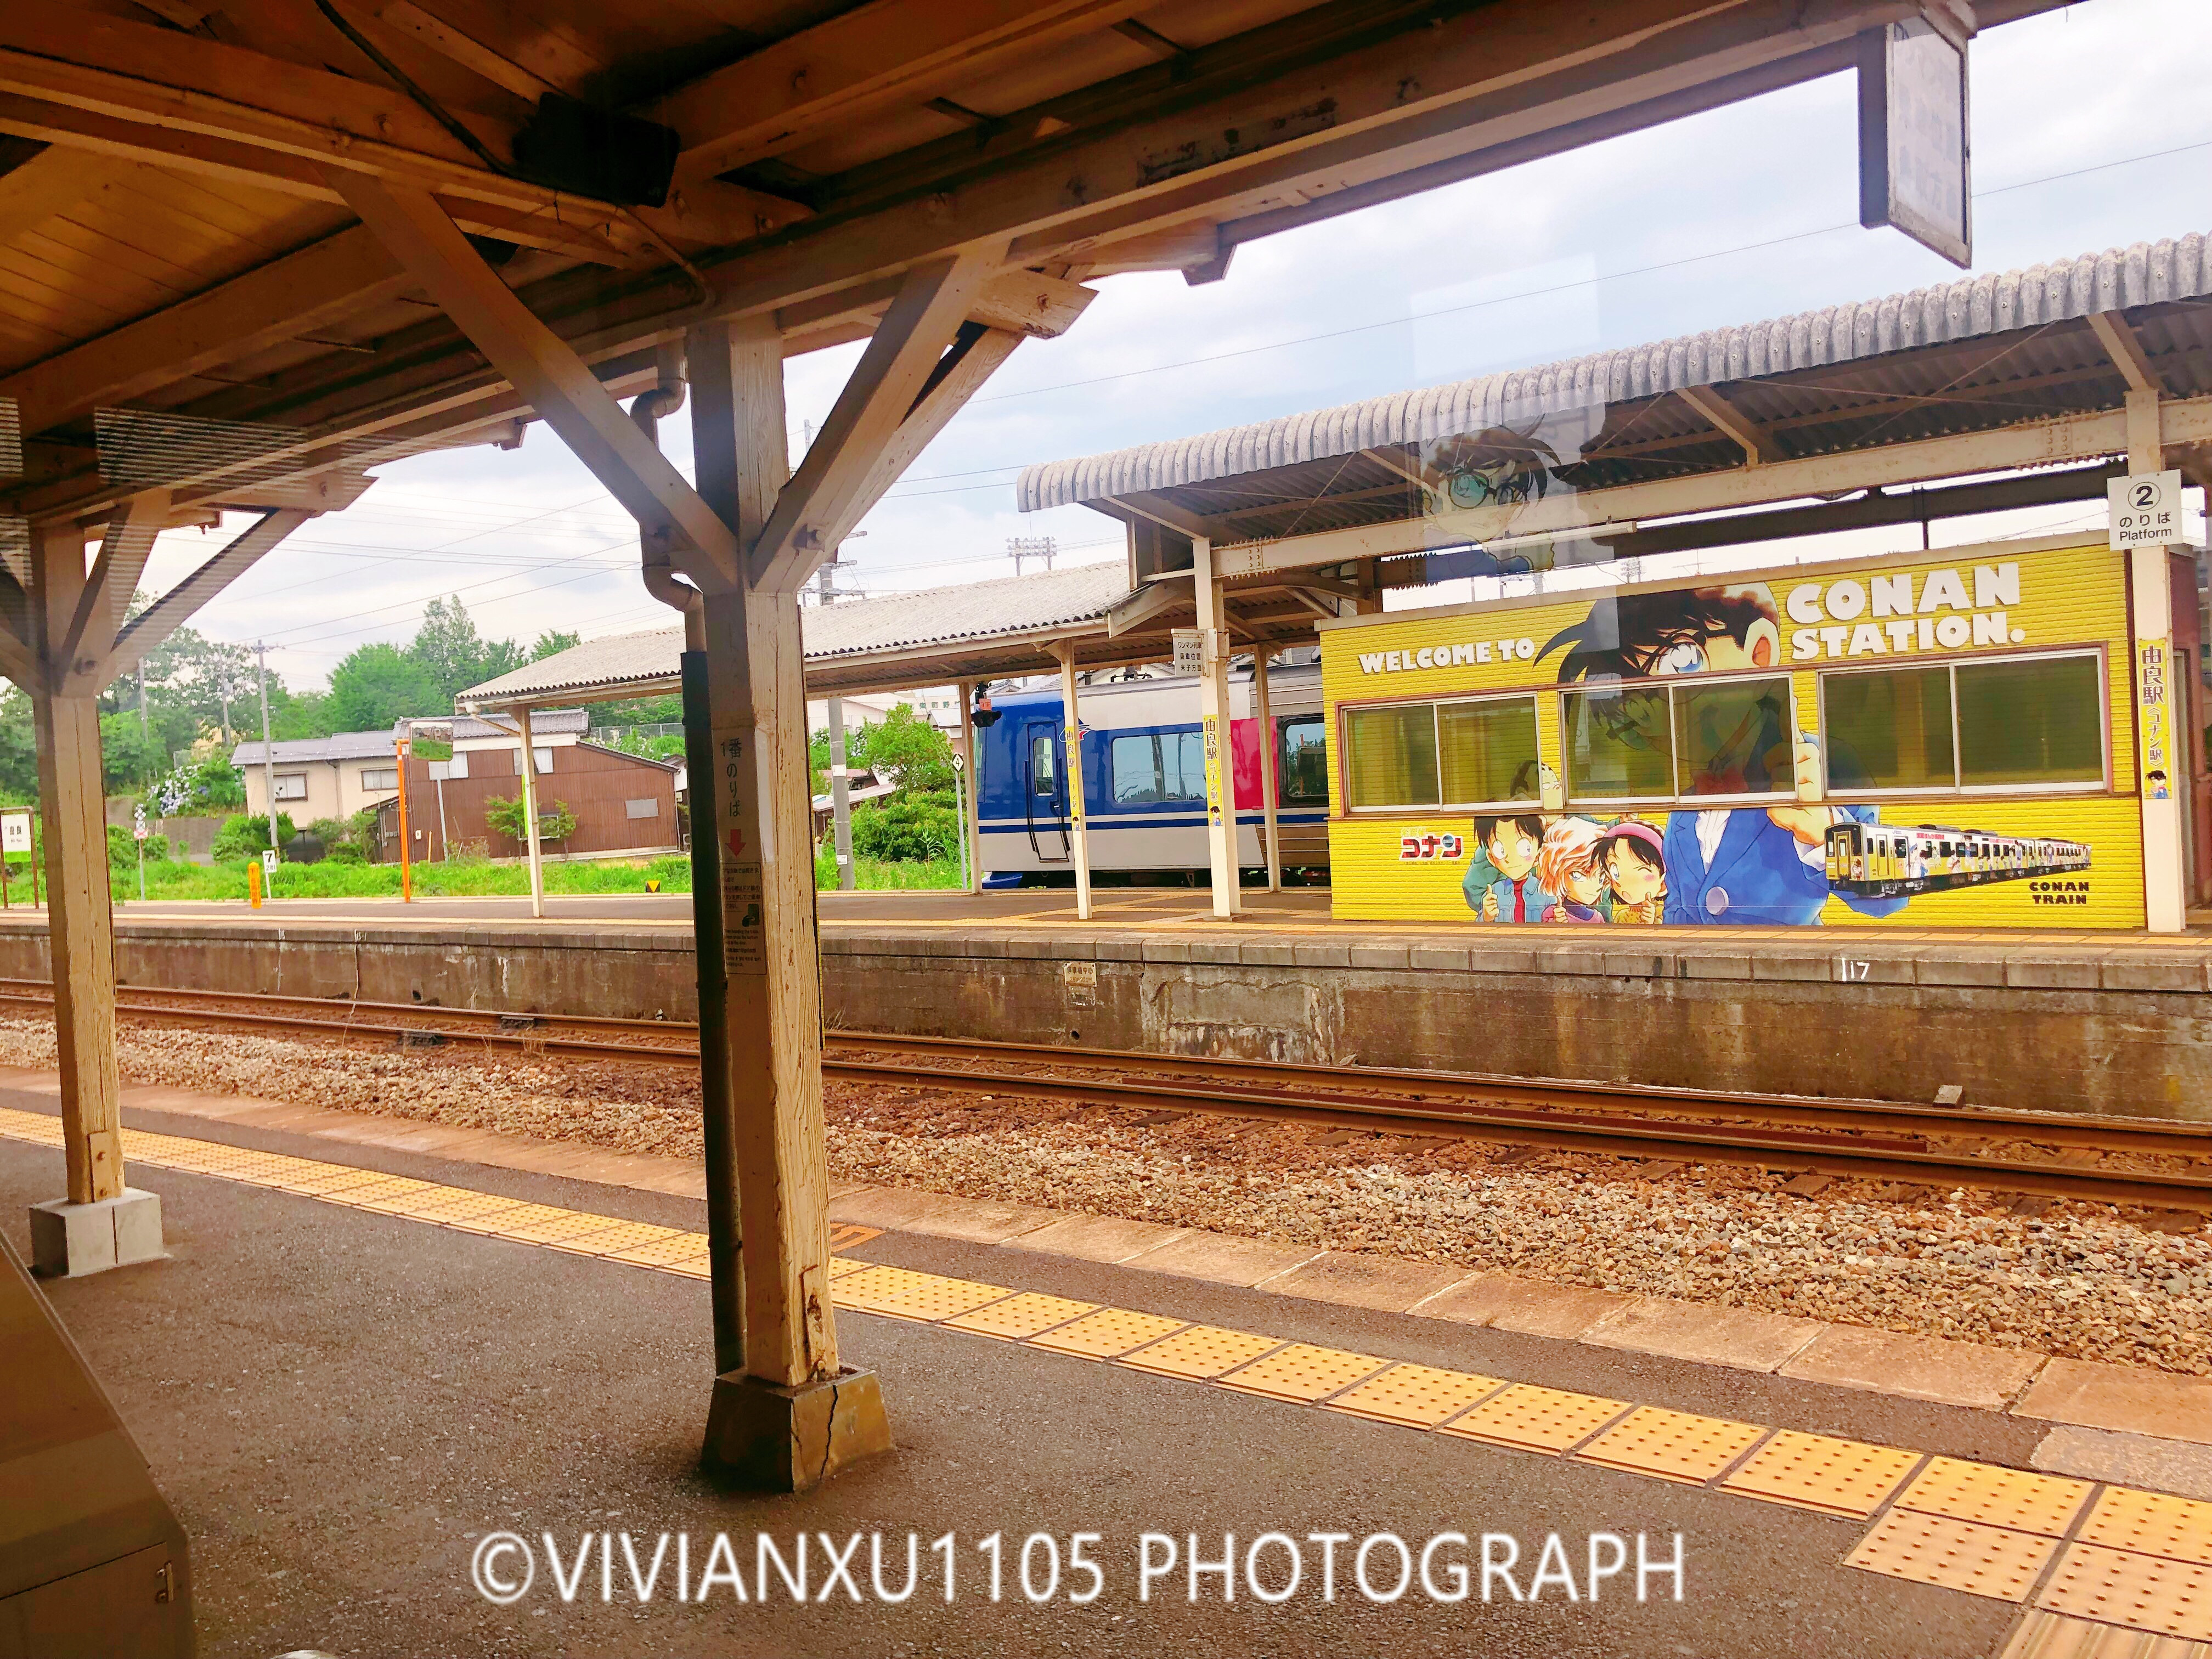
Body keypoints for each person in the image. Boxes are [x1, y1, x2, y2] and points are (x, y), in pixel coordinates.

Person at [1540, 583, 1907, 927]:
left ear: (1759, 653)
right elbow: (1681, 909)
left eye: (1683, 662)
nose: (1661, 709)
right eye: (1633, 705)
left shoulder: (1820, 764)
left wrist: (1826, 833)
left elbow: (1889, 897)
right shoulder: (1682, 806)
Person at [1461, 811, 1550, 922]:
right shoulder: (1494, 892)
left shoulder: (1545, 893)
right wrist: (1486, 917)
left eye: (1524, 848)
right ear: (1491, 858)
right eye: (1500, 850)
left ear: (1538, 856)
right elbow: (1481, 929)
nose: (1512, 858)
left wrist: (1558, 920)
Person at [1534, 816, 1609, 922]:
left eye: (1601, 877)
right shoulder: (1552, 914)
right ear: (1555, 872)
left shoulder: (1597, 918)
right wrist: (1556, 923)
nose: (1594, 886)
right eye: (1578, 875)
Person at [1597, 817, 1667, 923]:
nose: (1625, 882)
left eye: (1642, 872)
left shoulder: (1665, 913)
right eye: (1616, 872)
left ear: (1663, 885)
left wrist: (1652, 922)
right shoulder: (1622, 917)